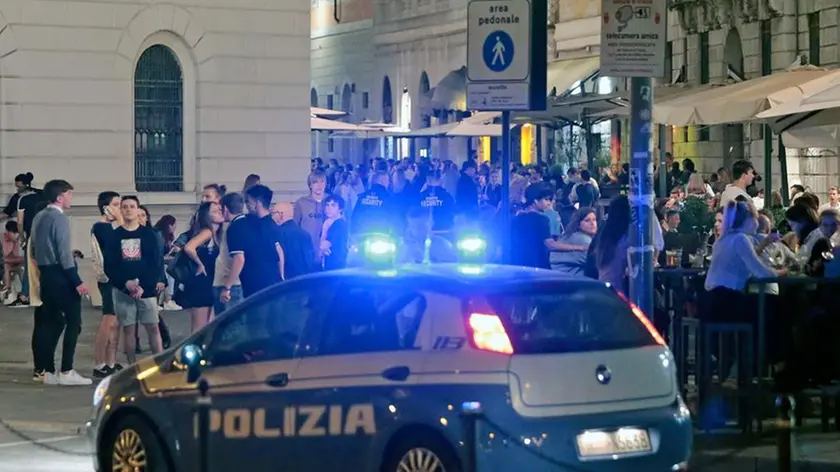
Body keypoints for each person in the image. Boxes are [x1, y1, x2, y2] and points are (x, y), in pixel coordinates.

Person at [30, 179, 90, 385]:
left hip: (46, 274)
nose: (71, 198)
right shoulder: (60, 219)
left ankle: (46, 370)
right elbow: (64, 254)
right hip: (62, 276)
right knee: (74, 322)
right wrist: (77, 281)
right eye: (69, 194)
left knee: (48, 323)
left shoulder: (39, 216)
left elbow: (34, 249)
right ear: (59, 197)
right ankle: (66, 370)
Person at [103, 196, 165, 364]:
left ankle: (159, 365)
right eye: (125, 207)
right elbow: (110, 265)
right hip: (124, 291)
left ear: (138, 210)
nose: (128, 209)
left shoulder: (149, 235)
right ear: (121, 211)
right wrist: (125, 284)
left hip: (147, 290)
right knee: (128, 330)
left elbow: (155, 262)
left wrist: (143, 285)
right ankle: (132, 367)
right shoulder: (114, 236)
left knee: (153, 327)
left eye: (132, 206)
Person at [227, 184, 285, 297]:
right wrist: (281, 277)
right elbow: (279, 252)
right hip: (273, 282)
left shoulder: (247, 224)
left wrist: (227, 286)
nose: (247, 206)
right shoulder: (274, 226)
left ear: (257, 203)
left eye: (248, 202)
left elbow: (239, 258)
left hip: (256, 285)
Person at [91, 191, 123, 378]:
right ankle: (99, 362)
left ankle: (111, 361)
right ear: (106, 208)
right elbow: (117, 242)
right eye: (116, 205)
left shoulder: (111, 227)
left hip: (118, 278)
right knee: (108, 319)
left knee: (116, 322)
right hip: (108, 279)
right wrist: (120, 220)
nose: (120, 208)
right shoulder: (101, 227)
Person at [181, 202, 224, 332]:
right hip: (201, 283)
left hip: (207, 282)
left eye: (220, 210)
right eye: (215, 211)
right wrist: (200, 263)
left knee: (205, 325)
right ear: (207, 216)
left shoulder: (216, 234)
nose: (220, 212)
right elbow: (189, 247)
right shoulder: (207, 232)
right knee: (199, 327)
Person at [215, 193, 245, 315]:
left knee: (229, 323)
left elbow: (239, 259)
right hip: (242, 282)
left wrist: (227, 287)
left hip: (232, 283)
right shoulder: (249, 224)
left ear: (226, 209)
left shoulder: (234, 227)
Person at [272, 202, 316, 280]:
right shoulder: (305, 234)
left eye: (273, 213)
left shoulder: (277, 234)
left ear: (281, 214)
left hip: (286, 280)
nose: (272, 216)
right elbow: (310, 259)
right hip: (305, 279)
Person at [294, 171, 328, 263]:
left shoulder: (331, 202)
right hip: (307, 250)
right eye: (315, 182)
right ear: (310, 185)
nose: (319, 185)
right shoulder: (301, 203)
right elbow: (295, 226)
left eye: (322, 182)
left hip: (327, 250)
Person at [320, 195, 349, 270]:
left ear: (340, 209)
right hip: (327, 261)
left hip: (336, 263)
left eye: (333, 205)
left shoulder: (340, 224)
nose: (329, 208)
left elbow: (327, 244)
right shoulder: (326, 222)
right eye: (327, 205)